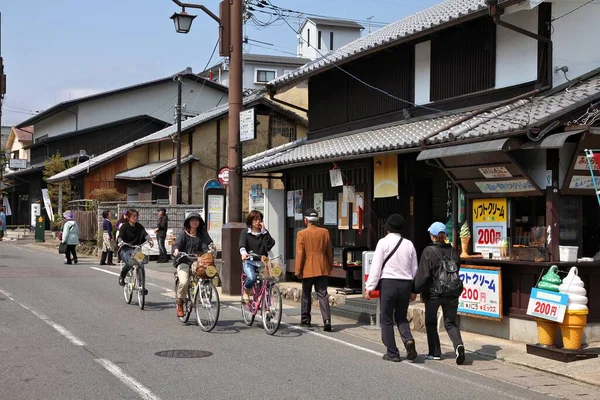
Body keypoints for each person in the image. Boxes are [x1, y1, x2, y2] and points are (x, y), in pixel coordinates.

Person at [365, 214, 418, 362]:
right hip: (406, 284)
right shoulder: (409, 244)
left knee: (387, 319)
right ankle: (408, 339)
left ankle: (392, 352)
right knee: (401, 316)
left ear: (387, 228)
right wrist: (414, 290)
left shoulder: (383, 243)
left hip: (388, 283)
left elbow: (376, 266)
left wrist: (369, 287)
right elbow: (415, 269)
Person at [414, 221, 465, 365]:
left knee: (430, 322)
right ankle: (458, 345)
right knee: (450, 323)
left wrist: (415, 289)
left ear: (434, 235)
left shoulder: (428, 251)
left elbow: (423, 275)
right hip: (452, 291)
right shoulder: (453, 251)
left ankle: (434, 352)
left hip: (434, 293)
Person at [295, 208, 334, 331]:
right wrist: (330, 266)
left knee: (306, 294)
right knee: (323, 294)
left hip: (307, 267)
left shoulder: (302, 234)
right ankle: (327, 320)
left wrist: (298, 270)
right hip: (322, 266)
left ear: (306, 220)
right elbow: (329, 251)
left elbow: (300, 254)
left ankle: (305, 320)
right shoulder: (325, 232)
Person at [172, 212, 214, 317]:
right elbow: (176, 244)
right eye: (192, 220)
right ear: (188, 222)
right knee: (184, 281)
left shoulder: (202, 234)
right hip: (183, 260)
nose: (195, 222)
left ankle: (202, 292)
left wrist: (209, 250)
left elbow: (206, 245)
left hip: (197, 260)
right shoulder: (183, 234)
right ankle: (180, 303)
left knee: (204, 273)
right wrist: (176, 250)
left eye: (197, 220)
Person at [239, 209, 275, 303]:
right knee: (252, 277)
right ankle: (246, 291)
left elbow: (269, 246)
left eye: (259, 219)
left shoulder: (264, 233)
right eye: (255, 220)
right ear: (250, 221)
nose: (257, 222)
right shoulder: (245, 232)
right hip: (249, 261)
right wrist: (243, 253)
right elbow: (242, 244)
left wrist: (264, 232)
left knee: (268, 281)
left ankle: (267, 306)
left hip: (262, 262)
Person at [117, 209, 154, 286]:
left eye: (137, 216)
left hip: (136, 250)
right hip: (125, 249)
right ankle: (122, 276)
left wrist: (149, 240)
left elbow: (144, 233)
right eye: (133, 216)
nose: (136, 218)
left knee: (141, 264)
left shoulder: (139, 226)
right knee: (130, 262)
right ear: (128, 217)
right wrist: (120, 242)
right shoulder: (124, 226)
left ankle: (141, 286)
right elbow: (120, 237)